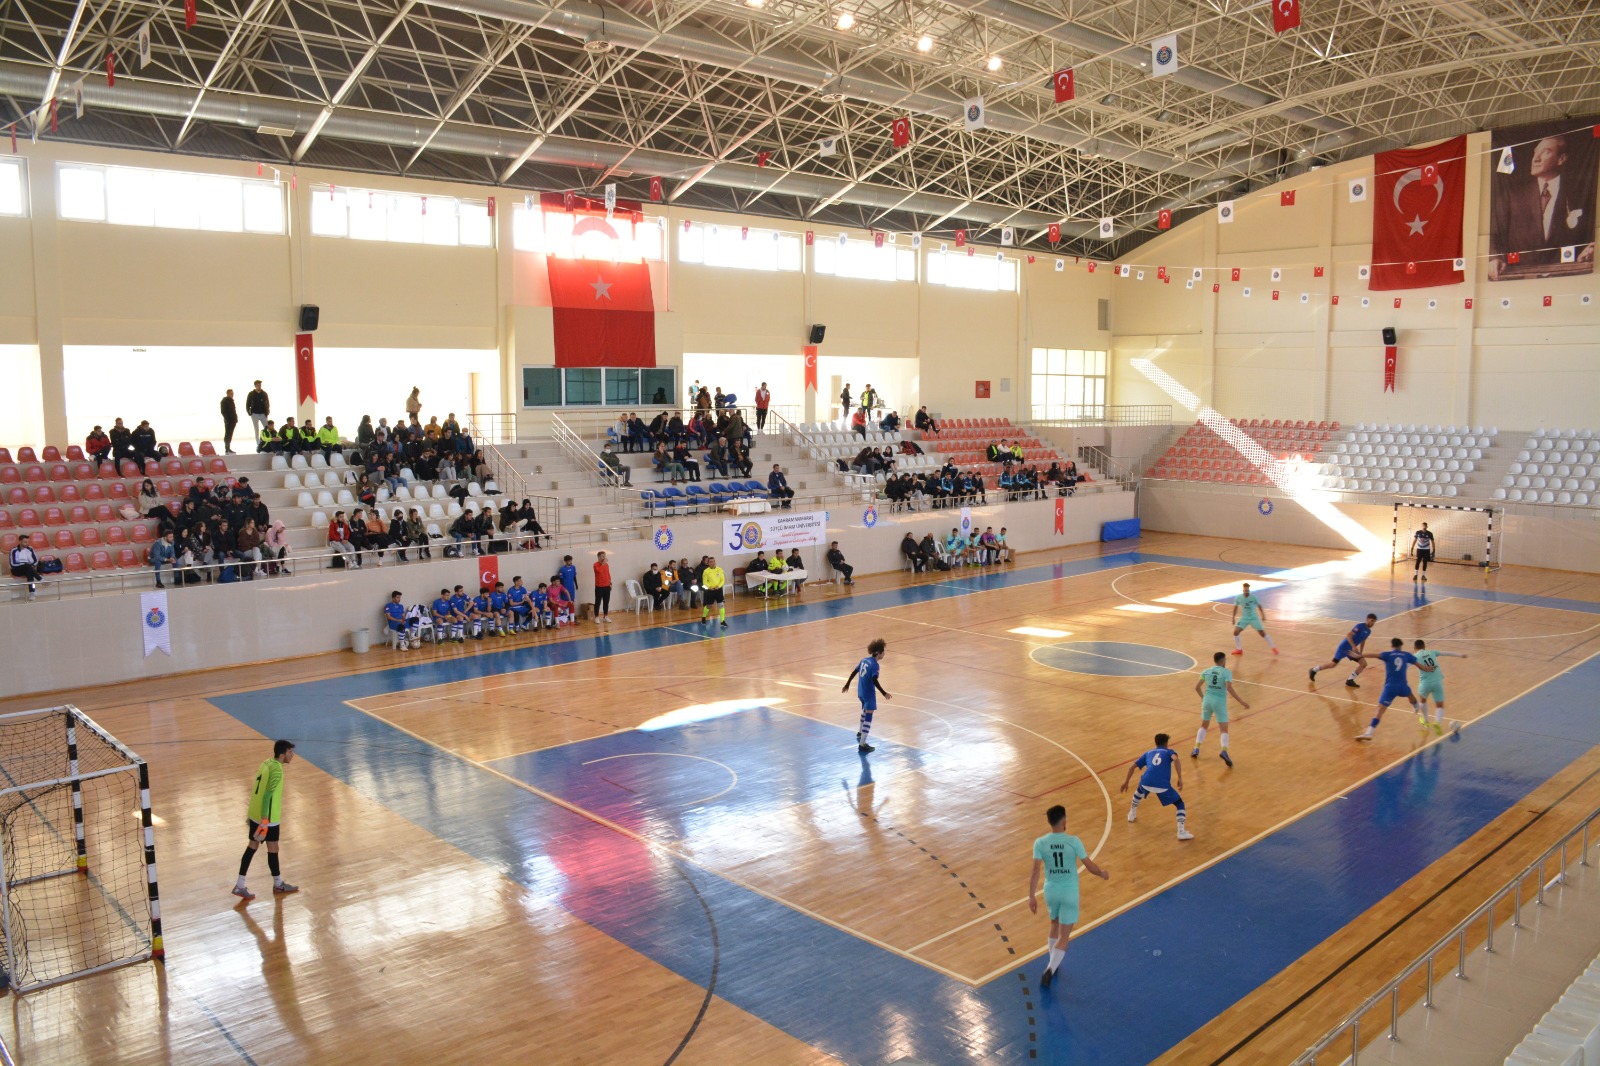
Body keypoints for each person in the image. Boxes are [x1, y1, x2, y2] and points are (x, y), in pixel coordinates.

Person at [1027, 804, 1109, 990]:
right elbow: (1089, 866)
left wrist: (1031, 896)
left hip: (1050, 891)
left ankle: (1052, 964)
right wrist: (1102, 873)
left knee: (1054, 923)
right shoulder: (1073, 841)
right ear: (1064, 821)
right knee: (1064, 936)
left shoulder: (1040, 843)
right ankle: (1050, 969)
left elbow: (1035, 871)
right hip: (1069, 892)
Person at [1491, 133, 1597, 276]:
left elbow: (1585, 237)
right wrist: (1495, 258)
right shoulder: (1512, 196)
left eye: (1546, 152)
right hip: (1521, 277)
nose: (1536, 158)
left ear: (1562, 159)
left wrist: (1586, 253)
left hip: (1564, 277)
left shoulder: (1579, 195)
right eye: (1535, 152)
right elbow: (1495, 233)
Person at [233, 740, 298, 899]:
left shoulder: (266, 763)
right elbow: (268, 795)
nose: (293, 755)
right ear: (282, 755)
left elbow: (257, 788)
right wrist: (264, 820)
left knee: (252, 847)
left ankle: (240, 885)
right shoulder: (277, 771)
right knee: (273, 848)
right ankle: (278, 885)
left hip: (255, 812)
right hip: (268, 817)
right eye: (290, 752)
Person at [1356, 638, 1436, 741]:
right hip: (1403, 686)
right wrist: (1429, 669)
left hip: (1390, 688)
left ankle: (1369, 733)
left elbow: (1373, 655)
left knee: (1379, 710)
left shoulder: (1388, 655)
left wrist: (1360, 655)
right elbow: (1421, 667)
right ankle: (1415, 706)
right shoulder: (1407, 655)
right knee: (1410, 694)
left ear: (1392, 646)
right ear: (1401, 646)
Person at [1120, 733, 1193, 840]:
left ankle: (1131, 814)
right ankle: (1181, 832)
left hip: (1146, 782)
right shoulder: (1169, 752)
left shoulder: (1148, 753)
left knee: (1139, 791)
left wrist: (1126, 782)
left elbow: (1132, 767)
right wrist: (1180, 778)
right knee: (1179, 803)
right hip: (1162, 785)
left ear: (1156, 743)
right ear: (1166, 743)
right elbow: (1176, 759)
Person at [1192, 652, 1250, 765]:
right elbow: (1229, 688)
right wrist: (1241, 702)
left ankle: (1196, 748)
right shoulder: (1226, 672)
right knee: (1224, 729)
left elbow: (1197, 687)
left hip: (1207, 701)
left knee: (1204, 725)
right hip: (1219, 703)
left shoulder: (1206, 671)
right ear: (1223, 661)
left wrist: (1203, 698)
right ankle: (1224, 751)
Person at [842, 638, 890, 753]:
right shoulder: (875, 665)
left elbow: (854, 671)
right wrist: (884, 693)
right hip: (869, 693)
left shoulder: (864, 660)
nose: (884, 653)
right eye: (883, 651)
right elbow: (874, 680)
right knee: (869, 716)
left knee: (865, 710)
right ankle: (862, 744)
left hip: (861, 692)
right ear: (878, 652)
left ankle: (860, 731)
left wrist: (847, 684)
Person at [1412, 640, 1466, 735]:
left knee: (1422, 701)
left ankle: (1426, 722)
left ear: (1414, 648)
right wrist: (1460, 655)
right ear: (1424, 646)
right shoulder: (1432, 652)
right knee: (1440, 705)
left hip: (1425, 683)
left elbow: (1405, 664)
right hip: (1437, 682)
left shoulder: (1414, 657)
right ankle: (1437, 723)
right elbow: (1447, 653)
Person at [1310, 613, 1378, 689]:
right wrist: (1353, 646)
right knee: (1333, 665)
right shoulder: (1359, 626)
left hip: (1350, 650)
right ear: (1367, 619)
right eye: (1372, 621)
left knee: (1363, 664)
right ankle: (1314, 670)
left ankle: (1350, 680)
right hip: (1344, 648)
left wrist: (1361, 652)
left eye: (1374, 622)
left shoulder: (1368, 631)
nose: (1373, 623)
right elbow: (1348, 635)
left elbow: (1363, 641)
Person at [1230, 582, 1278, 655]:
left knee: (1262, 633)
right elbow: (1235, 607)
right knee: (1235, 632)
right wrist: (1233, 617)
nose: (1247, 592)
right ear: (1243, 590)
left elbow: (1259, 606)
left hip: (1254, 618)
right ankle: (1239, 649)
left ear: (1249, 590)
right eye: (1245, 590)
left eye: (1248, 590)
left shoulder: (1253, 597)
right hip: (1244, 618)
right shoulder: (1239, 597)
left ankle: (1273, 647)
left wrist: (1263, 615)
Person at [698, 555, 728, 629]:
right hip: (710, 591)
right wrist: (709, 587)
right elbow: (704, 581)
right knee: (708, 605)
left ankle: (722, 621)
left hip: (718, 590)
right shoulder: (706, 571)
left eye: (714, 561)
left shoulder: (720, 570)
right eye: (711, 562)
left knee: (721, 605)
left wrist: (719, 586)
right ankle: (703, 617)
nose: (713, 563)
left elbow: (722, 580)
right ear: (708, 563)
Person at [245, 380, 270, 451]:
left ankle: (267, 442)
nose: (259, 386)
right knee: (256, 429)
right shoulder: (251, 394)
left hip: (263, 414)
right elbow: (247, 404)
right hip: (254, 414)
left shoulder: (264, 393)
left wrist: (267, 411)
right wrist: (249, 412)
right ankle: (258, 444)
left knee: (266, 428)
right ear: (255, 386)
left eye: (260, 385)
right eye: (258, 385)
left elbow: (267, 403)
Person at [592, 551, 613, 624]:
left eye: (604, 556)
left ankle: (605, 616)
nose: (604, 557)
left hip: (607, 586)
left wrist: (610, 583)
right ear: (598, 557)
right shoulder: (596, 565)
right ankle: (596, 617)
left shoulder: (606, 565)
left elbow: (608, 574)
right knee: (597, 602)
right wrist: (603, 564)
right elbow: (599, 571)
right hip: (599, 587)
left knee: (606, 602)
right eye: (602, 556)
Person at [219, 389, 239, 454]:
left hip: (233, 420)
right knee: (227, 434)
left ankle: (229, 448)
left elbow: (233, 410)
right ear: (227, 394)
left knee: (230, 434)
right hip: (228, 421)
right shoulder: (224, 401)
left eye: (233, 393)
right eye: (231, 393)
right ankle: (226, 449)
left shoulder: (231, 401)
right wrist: (227, 419)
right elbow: (223, 411)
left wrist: (235, 418)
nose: (232, 394)